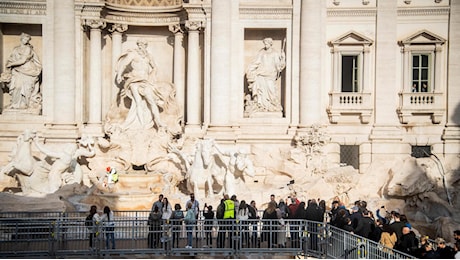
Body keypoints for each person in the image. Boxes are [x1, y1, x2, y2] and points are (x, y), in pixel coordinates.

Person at [115, 39, 167, 131]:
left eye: (143, 44)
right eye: (139, 44)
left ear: (146, 46)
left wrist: (152, 76)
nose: (140, 46)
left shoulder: (148, 56)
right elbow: (124, 64)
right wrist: (119, 75)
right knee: (137, 102)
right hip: (134, 80)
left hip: (145, 80)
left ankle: (158, 122)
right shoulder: (133, 54)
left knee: (151, 101)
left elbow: (154, 67)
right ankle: (142, 124)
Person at [1, 32, 42, 110]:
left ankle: (24, 104)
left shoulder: (28, 49)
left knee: (25, 88)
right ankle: (15, 104)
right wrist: (9, 64)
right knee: (16, 86)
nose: (26, 40)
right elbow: (11, 58)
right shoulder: (16, 49)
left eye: (27, 39)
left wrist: (11, 64)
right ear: (21, 39)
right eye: (24, 38)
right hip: (17, 71)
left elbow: (22, 60)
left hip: (28, 70)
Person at [245, 37, 286, 113]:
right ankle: (260, 105)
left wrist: (283, 58)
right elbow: (256, 62)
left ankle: (273, 105)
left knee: (271, 90)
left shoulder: (275, 53)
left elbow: (279, 66)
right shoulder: (262, 52)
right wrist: (250, 68)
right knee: (259, 88)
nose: (265, 45)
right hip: (261, 73)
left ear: (270, 44)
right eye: (264, 44)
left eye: (267, 44)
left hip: (270, 74)